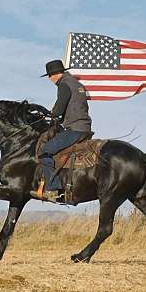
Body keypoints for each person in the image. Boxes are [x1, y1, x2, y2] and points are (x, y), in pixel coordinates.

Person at [34, 59, 92, 202]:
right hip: (84, 126)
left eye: (49, 75)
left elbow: (59, 109)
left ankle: (53, 189)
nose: (49, 79)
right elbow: (74, 108)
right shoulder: (76, 84)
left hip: (75, 129)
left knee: (44, 151)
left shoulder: (64, 85)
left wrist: (48, 114)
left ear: (54, 74)